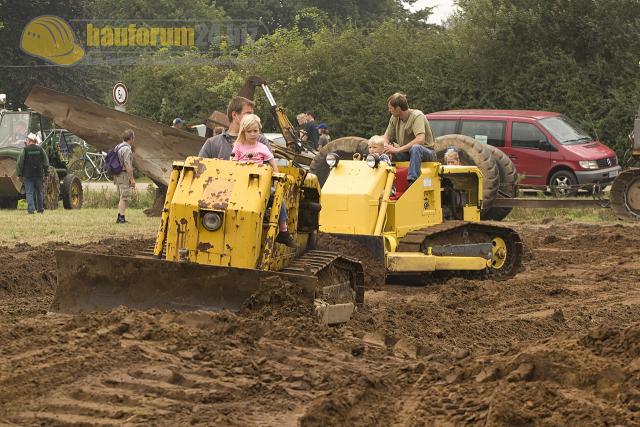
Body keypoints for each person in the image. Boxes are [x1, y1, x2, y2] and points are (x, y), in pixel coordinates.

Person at [232, 114, 296, 248]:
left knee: (279, 199)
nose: (253, 134)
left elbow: (273, 164)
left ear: (259, 130)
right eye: (249, 131)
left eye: (256, 131)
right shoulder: (238, 146)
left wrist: (277, 176)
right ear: (244, 131)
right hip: (241, 184)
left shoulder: (262, 147)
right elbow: (232, 164)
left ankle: (283, 231)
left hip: (260, 184)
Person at [382, 92, 436, 185]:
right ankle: (385, 182)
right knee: (385, 154)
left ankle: (412, 182)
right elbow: (386, 136)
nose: (389, 110)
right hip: (407, 152)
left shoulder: (417, 116)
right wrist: (386, 146)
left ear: (398, 108)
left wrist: (397, 150)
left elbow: (420, 140)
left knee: (416, 148)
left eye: (390, 108)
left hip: (426, 152)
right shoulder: (394, 117)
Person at [199, 96, 271, 159]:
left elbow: (269, 169)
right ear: (234, 115)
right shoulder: (212, 144)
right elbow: (199, 170)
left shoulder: (261, 140)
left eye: (252, 114)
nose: (252, 117)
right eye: (248, 113)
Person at [16, 133, 49, 214]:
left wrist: (19, 174)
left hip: (28, 175)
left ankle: (31, 210)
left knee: (29, 193)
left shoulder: (25, 150)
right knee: (39, 192)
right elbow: (46, 163)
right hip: (39, 175)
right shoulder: (41, 149)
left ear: (30, 140)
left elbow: (19, 163)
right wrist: (46, 174)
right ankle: (40, 209)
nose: (26, 141)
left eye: (27, 140)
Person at [113, 129, 136, 224]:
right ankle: (121, 218)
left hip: (117, 174)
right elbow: (127, 164)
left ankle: (120, 216)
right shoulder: (126, 148)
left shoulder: (118, 146)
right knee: (124, 197)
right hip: (123, 174)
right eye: (133, 137)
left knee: (121, 196)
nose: (134, 139)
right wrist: (132, 179)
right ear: (131, 138)